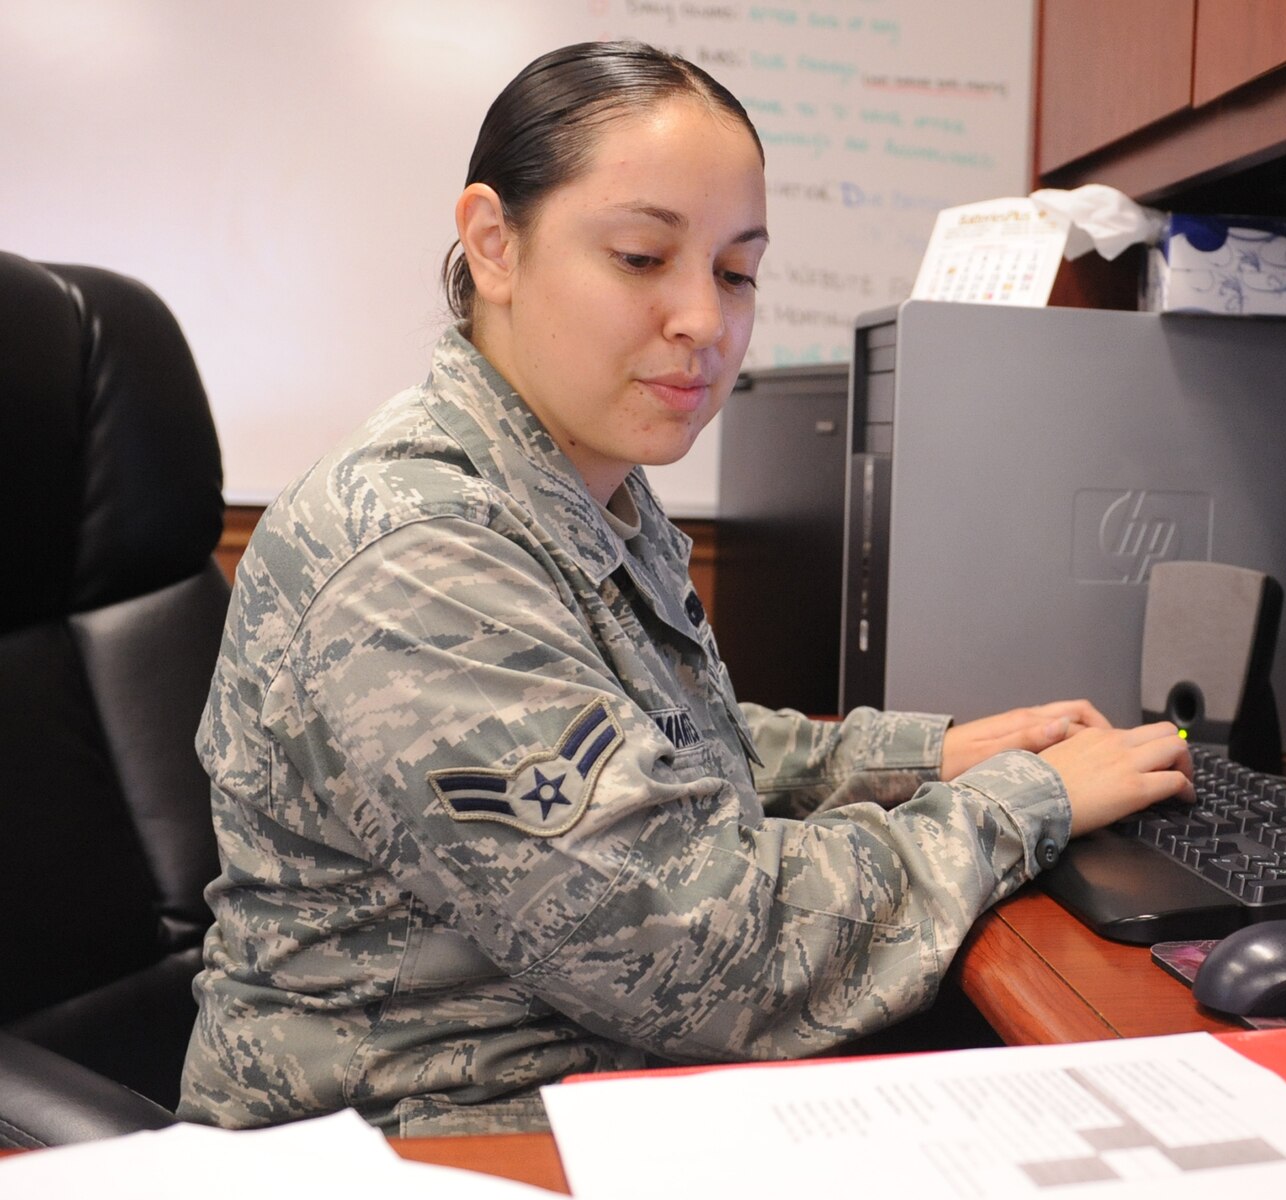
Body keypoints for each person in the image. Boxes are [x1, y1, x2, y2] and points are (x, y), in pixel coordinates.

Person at [179, 41, 1192, 1137]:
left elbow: (656, 747)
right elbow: (706, 949)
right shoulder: (418, 558)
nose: (704, 322)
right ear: (492, 243)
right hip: (412, 1157)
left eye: (734, 271)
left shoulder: (576, 477)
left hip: (584, 1083)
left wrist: (923, 759)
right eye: (638, 256)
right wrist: (1020, 807)